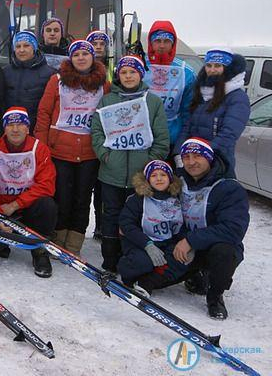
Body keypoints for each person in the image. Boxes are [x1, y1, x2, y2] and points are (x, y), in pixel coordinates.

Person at [91, 56, 170, 273]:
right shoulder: (107, 100)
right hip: (111, 173)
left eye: (132, 72)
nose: (128, 76)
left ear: (140, 74)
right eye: (124, 72)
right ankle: (109, 260)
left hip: (140, 175)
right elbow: (96, 131)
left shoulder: (153, 102)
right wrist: (105, 156)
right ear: (118, 75)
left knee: (134, 218)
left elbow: (162, 137)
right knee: (111, 215)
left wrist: (150, 164)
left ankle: (129, 259)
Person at [35, 39, 109, 255]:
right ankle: (59, 242)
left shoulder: (104, 83)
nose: (81, 58)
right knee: (62, 198)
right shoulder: (56, 80)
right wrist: (42, 145)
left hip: (89, 152)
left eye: (85, 54)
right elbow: (44, 113)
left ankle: (74, 246)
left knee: (82, 198)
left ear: (92, 57)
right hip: (60, 150)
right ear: (71, 58)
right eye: (76, 55)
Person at [173, 138, 250, 319]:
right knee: (157, 281)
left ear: (209, 157)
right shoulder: (177, 180)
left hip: (212, 247)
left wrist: (191, 240)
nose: (191, 162)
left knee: (224, 252)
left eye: (198, 156)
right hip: (182, 245)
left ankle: (215, 296)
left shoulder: (229, 187)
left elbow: (233, 229)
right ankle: (194, 274)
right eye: (187, 157)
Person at [0, 107, 56, 278]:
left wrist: (16, 204)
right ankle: (1, 242)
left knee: (47, 205)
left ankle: (40, 250)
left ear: (27, 128)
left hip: (27, 206)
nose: (15, 129)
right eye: (10, 125)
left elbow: (47, 185)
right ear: (4, 128)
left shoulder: (39, 149)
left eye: (20, 124)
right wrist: (0, 215)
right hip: (0, 208)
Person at [117, 160, 189, 296]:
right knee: (144, 262)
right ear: (147, 179)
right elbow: (126, 223)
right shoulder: (137, 199)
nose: (159, 179)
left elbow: (181, 225)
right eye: (154, 175)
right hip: (140, 243)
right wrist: (147, 244)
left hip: (167, 242)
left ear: (170, 178)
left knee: (181, 260)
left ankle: (148, 281)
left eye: (163, 175)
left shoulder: (176, 199)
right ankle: (129, 276)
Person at [175, 48, 250, 176]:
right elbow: (188, 126)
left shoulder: (236, 97)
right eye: (208, 65)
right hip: (193, 161)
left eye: (218, 66)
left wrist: (203, 154)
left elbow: (229, 134)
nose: (212, 70)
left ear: (228, 69)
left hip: (218, 163)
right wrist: (179, 151)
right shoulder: (202, 92)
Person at [144, 22, 196, 148]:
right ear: (151, 43)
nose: (162, 46)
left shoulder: (186, 72)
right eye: (157, 41)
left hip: (171, 137)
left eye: (167, 41)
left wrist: (181, 142)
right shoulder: (139, 66)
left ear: (173, 43)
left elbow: (188, 111)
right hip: (143, 136)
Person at [86, 29, 112, 239]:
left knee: (105, 185)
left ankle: (104, 224)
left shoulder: (116, 66)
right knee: (92, 184)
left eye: (102, 43)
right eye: (94, 43)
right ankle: (97, 223)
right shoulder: (84, 67)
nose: (99, 46)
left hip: (109, 132)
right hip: (87, 133)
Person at [2, 30, 53, 132]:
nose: (21, 50)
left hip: (35, 128)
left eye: (26, 46)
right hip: (9, 128)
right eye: (18, 46)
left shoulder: (49, 73)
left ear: (34, 48)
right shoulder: (5, 72)